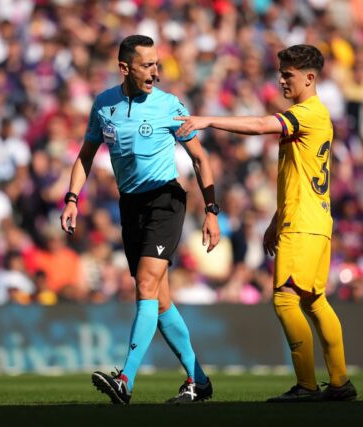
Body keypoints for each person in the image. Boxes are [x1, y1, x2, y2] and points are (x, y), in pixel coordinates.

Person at [176, 44, 357, 402]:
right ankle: (339, 383)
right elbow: (300, 177)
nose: (281, 80)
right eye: (281, 73)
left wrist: (208, 119)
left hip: (303, 224)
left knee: (285, 300)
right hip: (314, 220)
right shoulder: (316, 117)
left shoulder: (307, 114)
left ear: (310, 77)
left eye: (288, 75)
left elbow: (261, 125)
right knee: (314, 301)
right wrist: (276, 219)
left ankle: (307, 387)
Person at [60, 35, 220, 404]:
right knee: (160, 301)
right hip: (130, 205)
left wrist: (211, 211)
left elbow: (200, 159)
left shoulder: (169, 105)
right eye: (147, 65)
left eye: (157, 64)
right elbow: (85, 157)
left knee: (145, 285)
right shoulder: (104, 106)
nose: (155, 72)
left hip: (166, 199)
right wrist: (72, 199)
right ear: (124, 68)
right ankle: (200, 380)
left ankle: (125, 379)